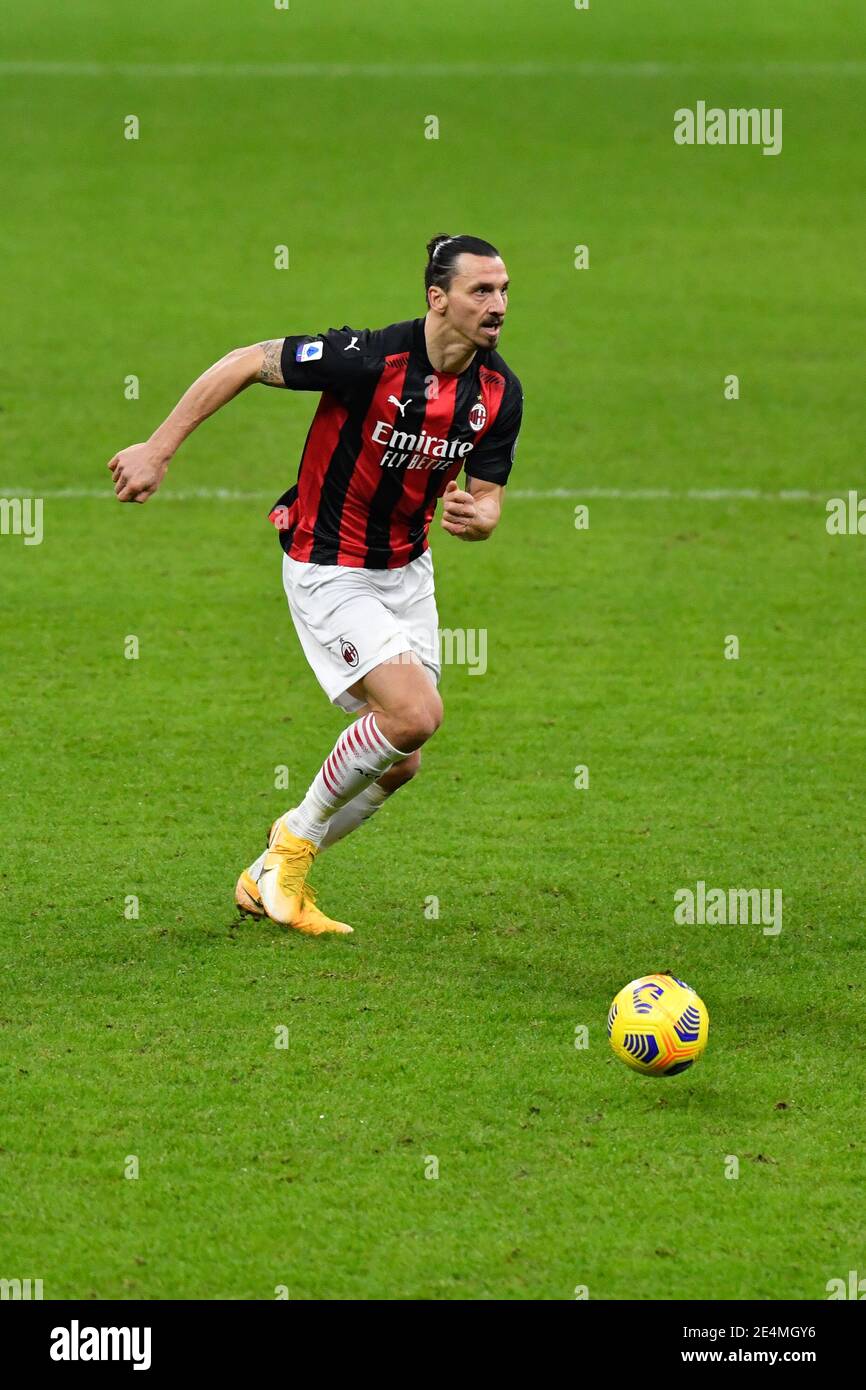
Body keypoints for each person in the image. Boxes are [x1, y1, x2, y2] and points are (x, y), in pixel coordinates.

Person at [108, 234, 523, 935]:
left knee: (401, 761)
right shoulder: (367, 359)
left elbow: (487, 501)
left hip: (407, 572)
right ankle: (294, 850)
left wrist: (477, 518)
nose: (499, 305)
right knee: (415, 714)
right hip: (328, 562)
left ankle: (266, 871)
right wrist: (158, 448)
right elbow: (246, 361)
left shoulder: (497, 392)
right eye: (482, 291)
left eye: (505, 290)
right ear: (437, 297)